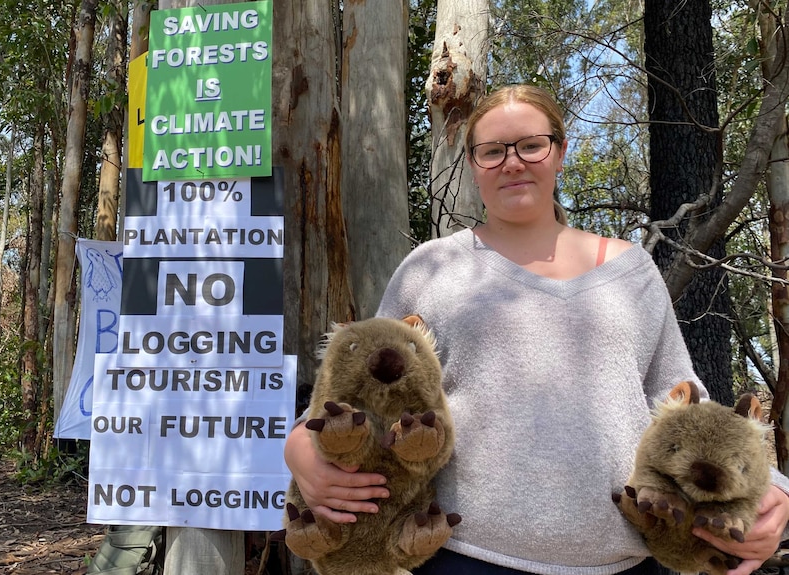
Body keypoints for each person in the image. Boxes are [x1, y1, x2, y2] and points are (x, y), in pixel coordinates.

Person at [284, 84, 789, 575]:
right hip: (460, 553)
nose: (513, 162)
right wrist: (299, 446)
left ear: (560, 151)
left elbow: (685, 405)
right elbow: (357, 383)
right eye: (492, 151)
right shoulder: (430, 268)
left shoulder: (632, 268)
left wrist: (772, 489)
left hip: (624, 558)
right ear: (472, 163)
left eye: (530, 145)